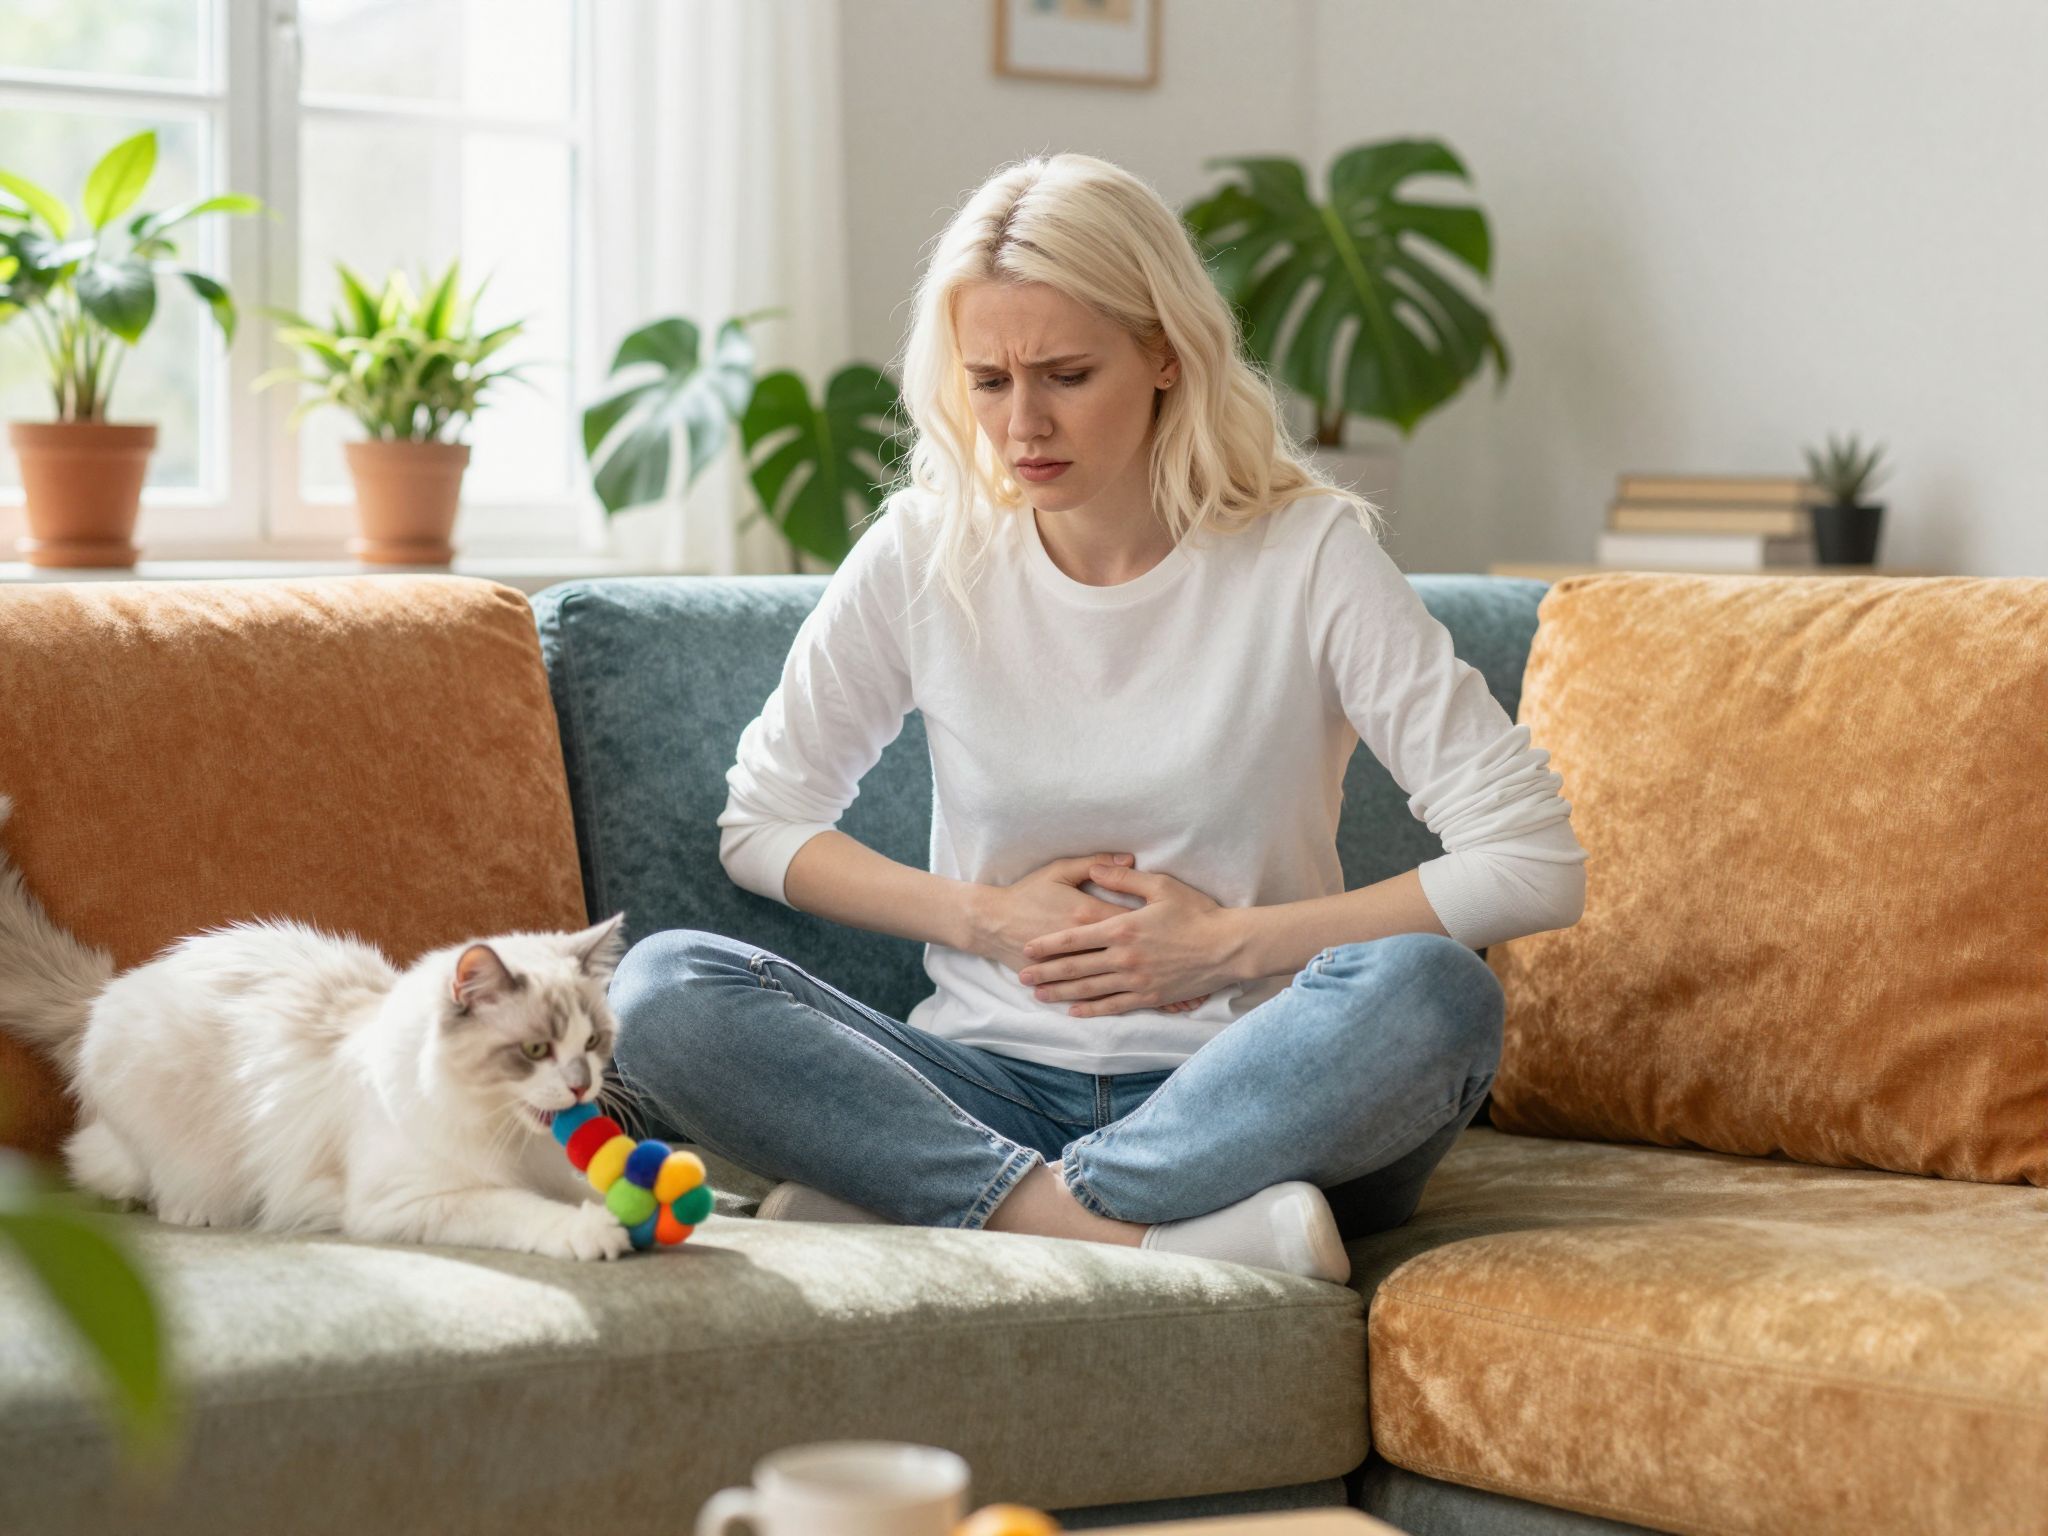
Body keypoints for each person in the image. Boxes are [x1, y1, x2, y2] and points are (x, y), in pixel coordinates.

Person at [606, 151, 1588, 1284]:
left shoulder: (1305, 556)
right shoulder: (923, 551)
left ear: (1165, 354)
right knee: (660, 991)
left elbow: (1531, 864)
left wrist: (1226, 944)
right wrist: (984, 920)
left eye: (1066, 374)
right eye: (986, 381)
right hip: (989, 1085)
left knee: (1431, 993)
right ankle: (1123, 1227)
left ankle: (952, 1202)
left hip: (1259, 1090)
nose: (1022, 425)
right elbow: (763, 825)